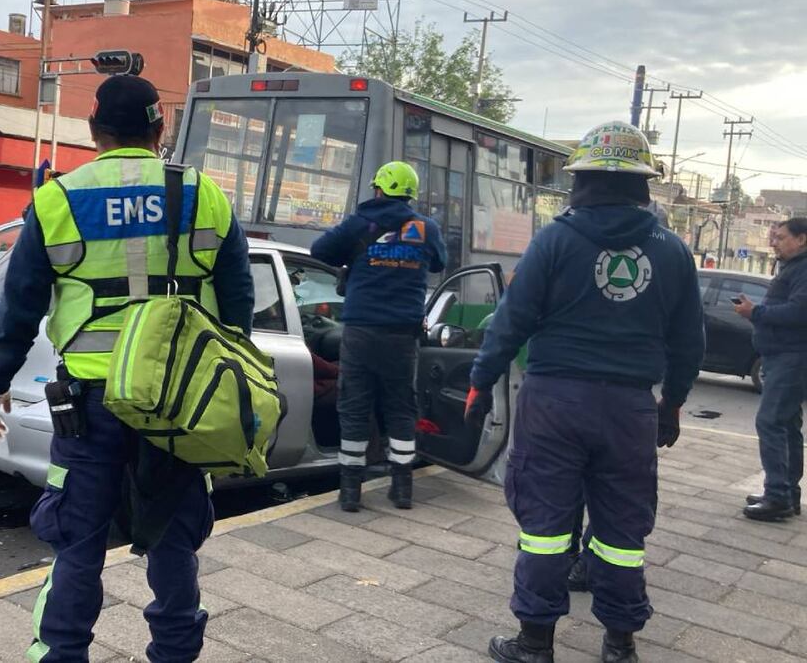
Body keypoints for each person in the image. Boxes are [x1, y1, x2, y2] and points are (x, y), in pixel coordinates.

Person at [0, 74, 253, 663]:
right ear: (160, 128)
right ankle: (175, 653)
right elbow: (238, 300)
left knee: (77, 543)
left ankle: (61, 654)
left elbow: (20, 303)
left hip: (89, 404)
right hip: (178, 401)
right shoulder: (204, 193)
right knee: (174, 538)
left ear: (93, 129)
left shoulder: (57, 199)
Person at [466, 121, 704, 663]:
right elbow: (689, 341)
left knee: (546, 528)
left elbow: (511, 321)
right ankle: (620, 645)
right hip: (629, 410)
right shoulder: (671, 251)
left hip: (554, 402)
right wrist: (672, 404)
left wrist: (480, 381)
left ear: (582, 180)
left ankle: (534, 644)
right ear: (642, 183)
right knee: (622, 532)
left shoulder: (554, 240)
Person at [310, 161, 447, 512]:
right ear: (410, 194)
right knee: (401, 407)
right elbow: (439, 263)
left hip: (360, 332)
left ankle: (350, 491)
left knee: (354, 406)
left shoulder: (359, 223)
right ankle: (402, 489)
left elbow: (319, 250)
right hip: (403, 336)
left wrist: (355, 259)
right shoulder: (426, 228)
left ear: (379, 189)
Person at [735, 217, 807, 521]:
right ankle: (787, 493)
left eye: (781, 237)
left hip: (793, 357)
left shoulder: (803, 268)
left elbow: (800, 311)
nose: (774, 243)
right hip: (783, 355)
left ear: (801, 239)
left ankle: (777, 497)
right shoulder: (793, 266)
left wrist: (756, 312)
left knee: (770, 421)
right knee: (787, 425)